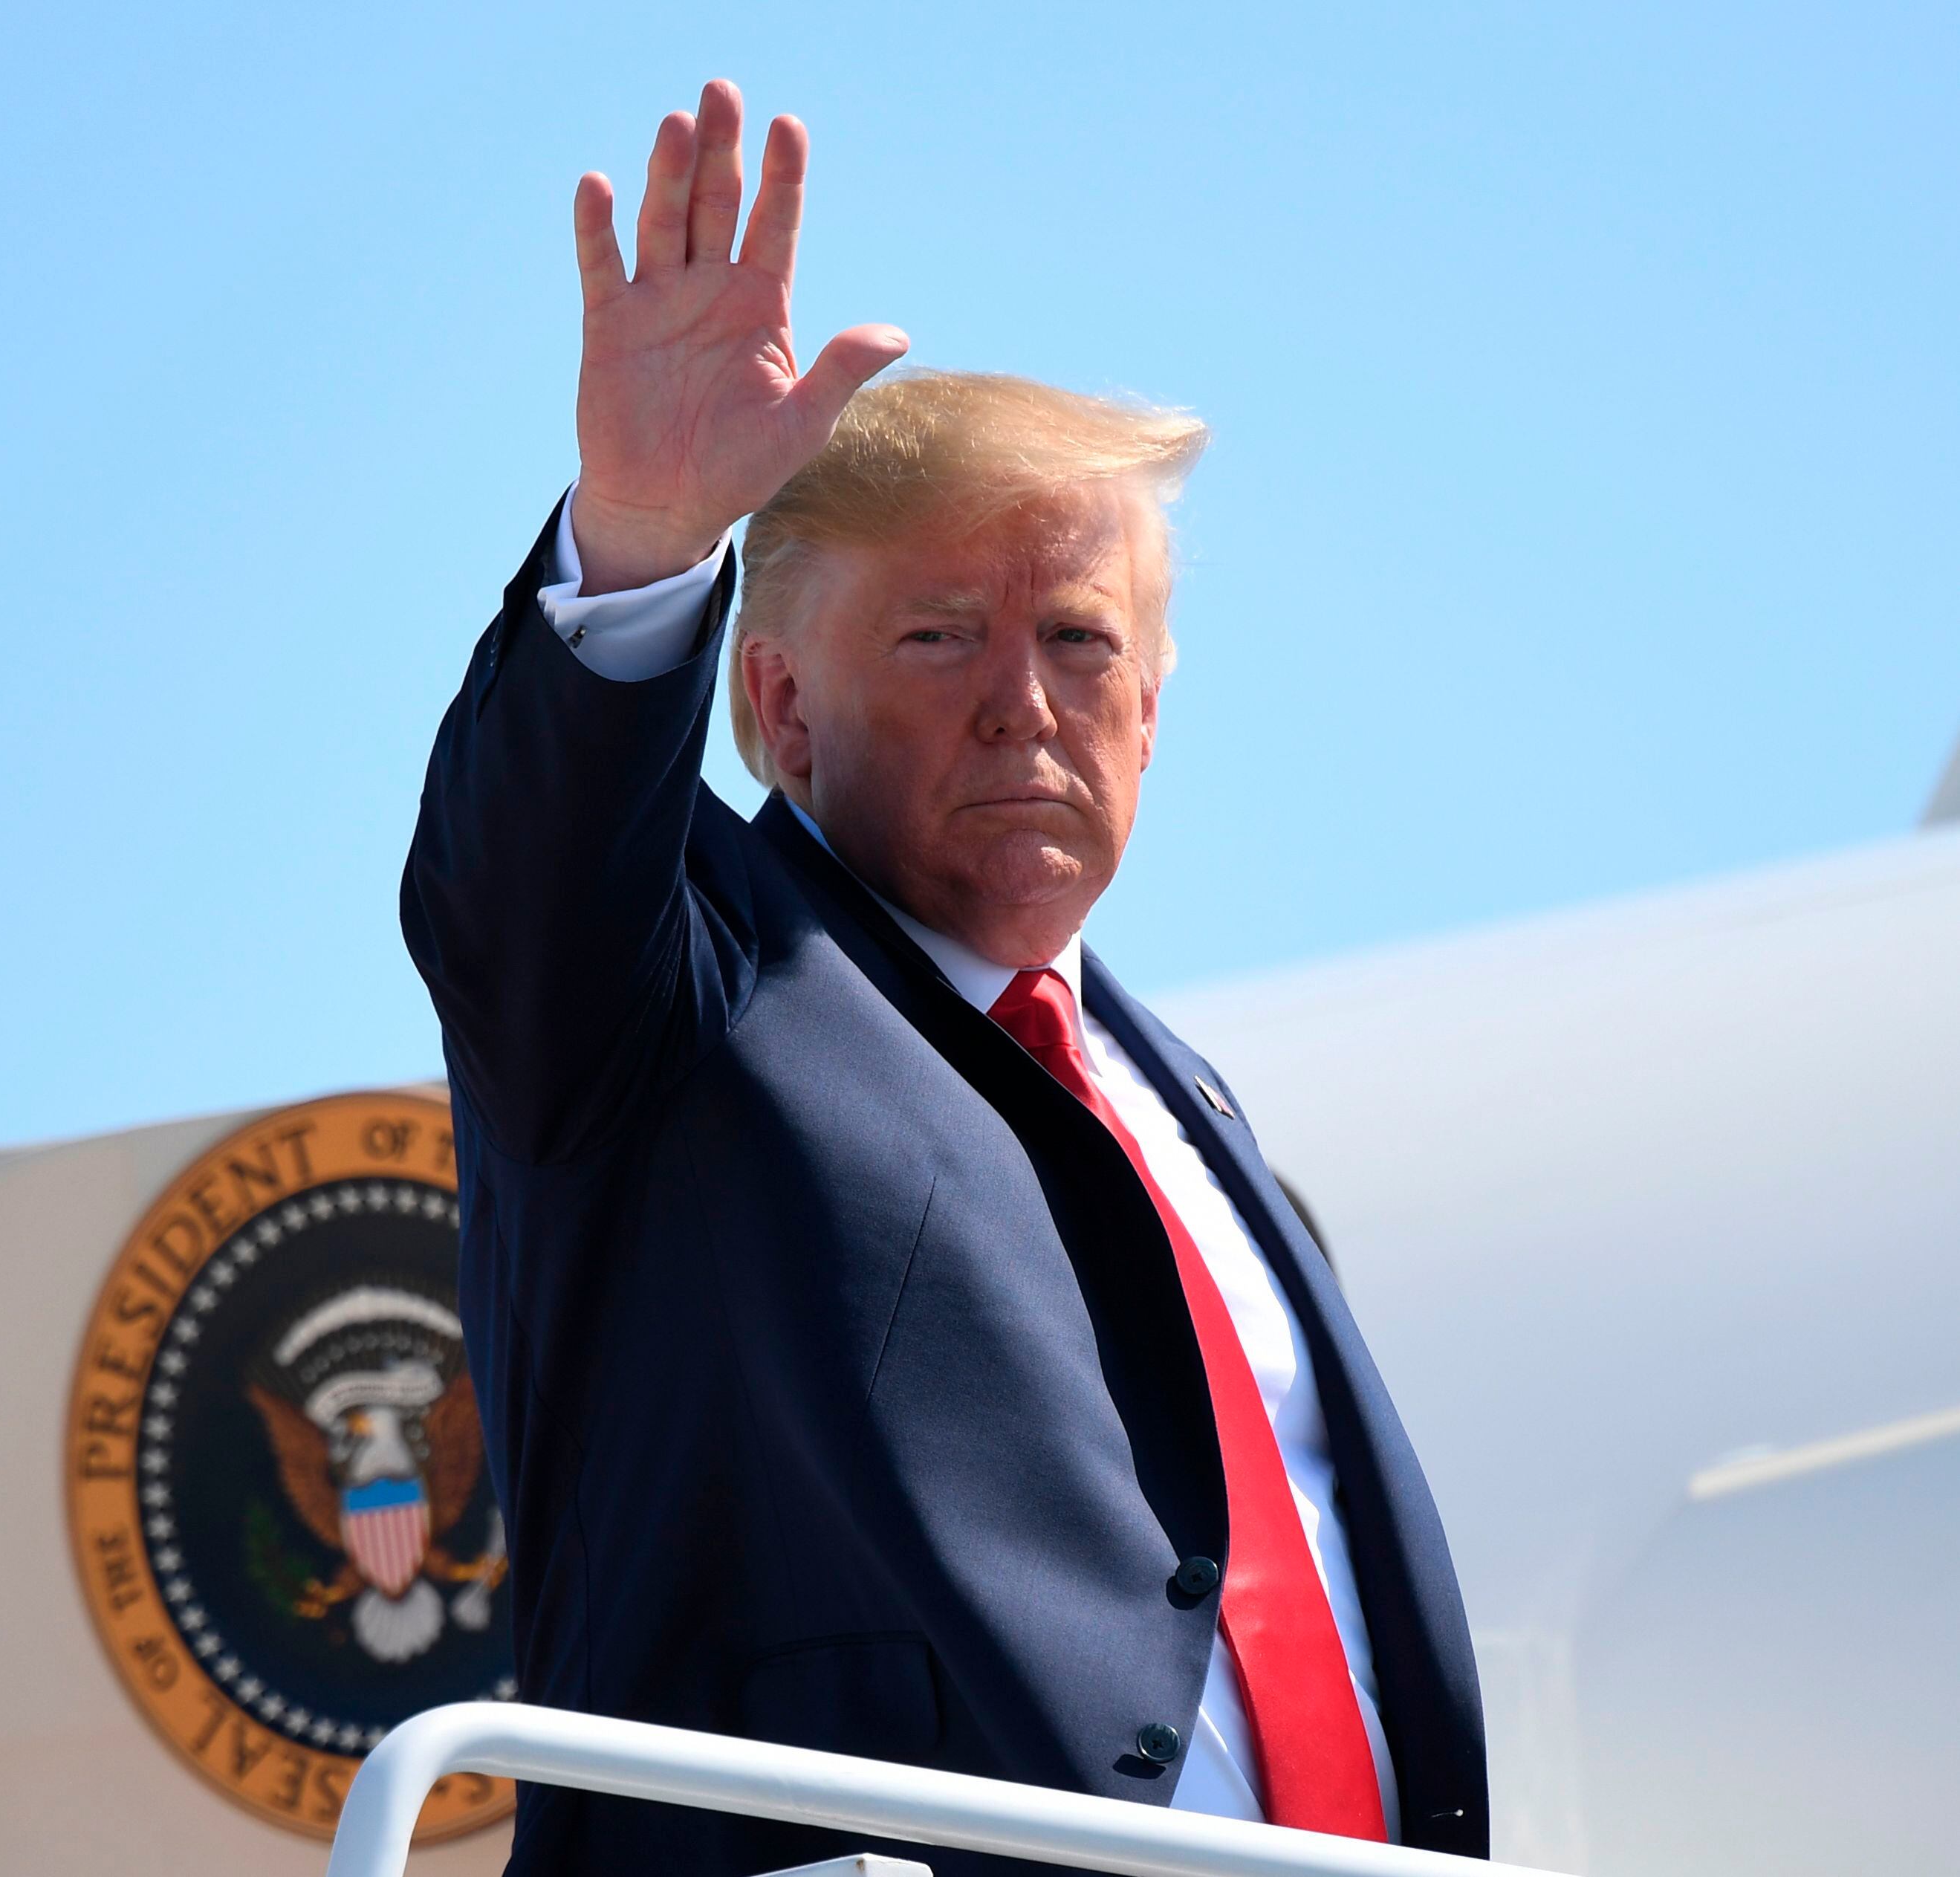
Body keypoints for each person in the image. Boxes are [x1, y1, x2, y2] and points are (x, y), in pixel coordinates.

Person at [400, 79, 1487, 1877]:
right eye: (939, 636)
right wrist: (645, 540)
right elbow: (523, 899)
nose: (1025, 701)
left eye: (1079, 642)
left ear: (1152, 714)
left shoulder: (1192, 1121)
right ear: (777, 707)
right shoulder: (682, 1008)